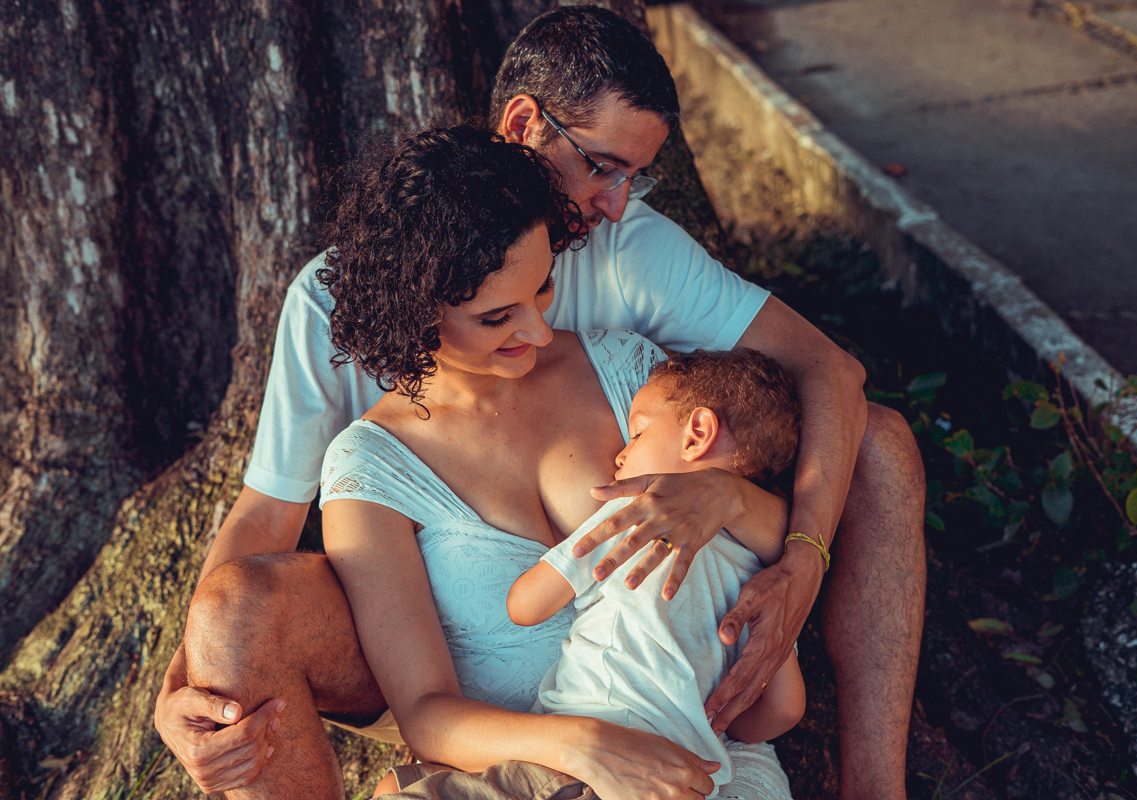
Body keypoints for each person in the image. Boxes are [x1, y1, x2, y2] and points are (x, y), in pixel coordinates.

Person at [155, 7, 927, 800]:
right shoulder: (338, 334)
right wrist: (179, 688)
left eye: (546, 288)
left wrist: (789, 548)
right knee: (236, 608)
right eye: (602, 166)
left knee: (881, 441)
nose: (617, 203)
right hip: (455, 678)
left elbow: (821, 384)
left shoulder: (624, 340)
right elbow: (268, 514)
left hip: (678, 718)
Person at [506, 349, 809, 796]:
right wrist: (721, 724)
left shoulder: (636, 513)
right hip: (684, 773)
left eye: (638, 433)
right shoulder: (762, 576)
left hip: (591, 749)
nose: (621, 455)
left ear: (697, 435)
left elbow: (524, 607)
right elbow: (784, 710)